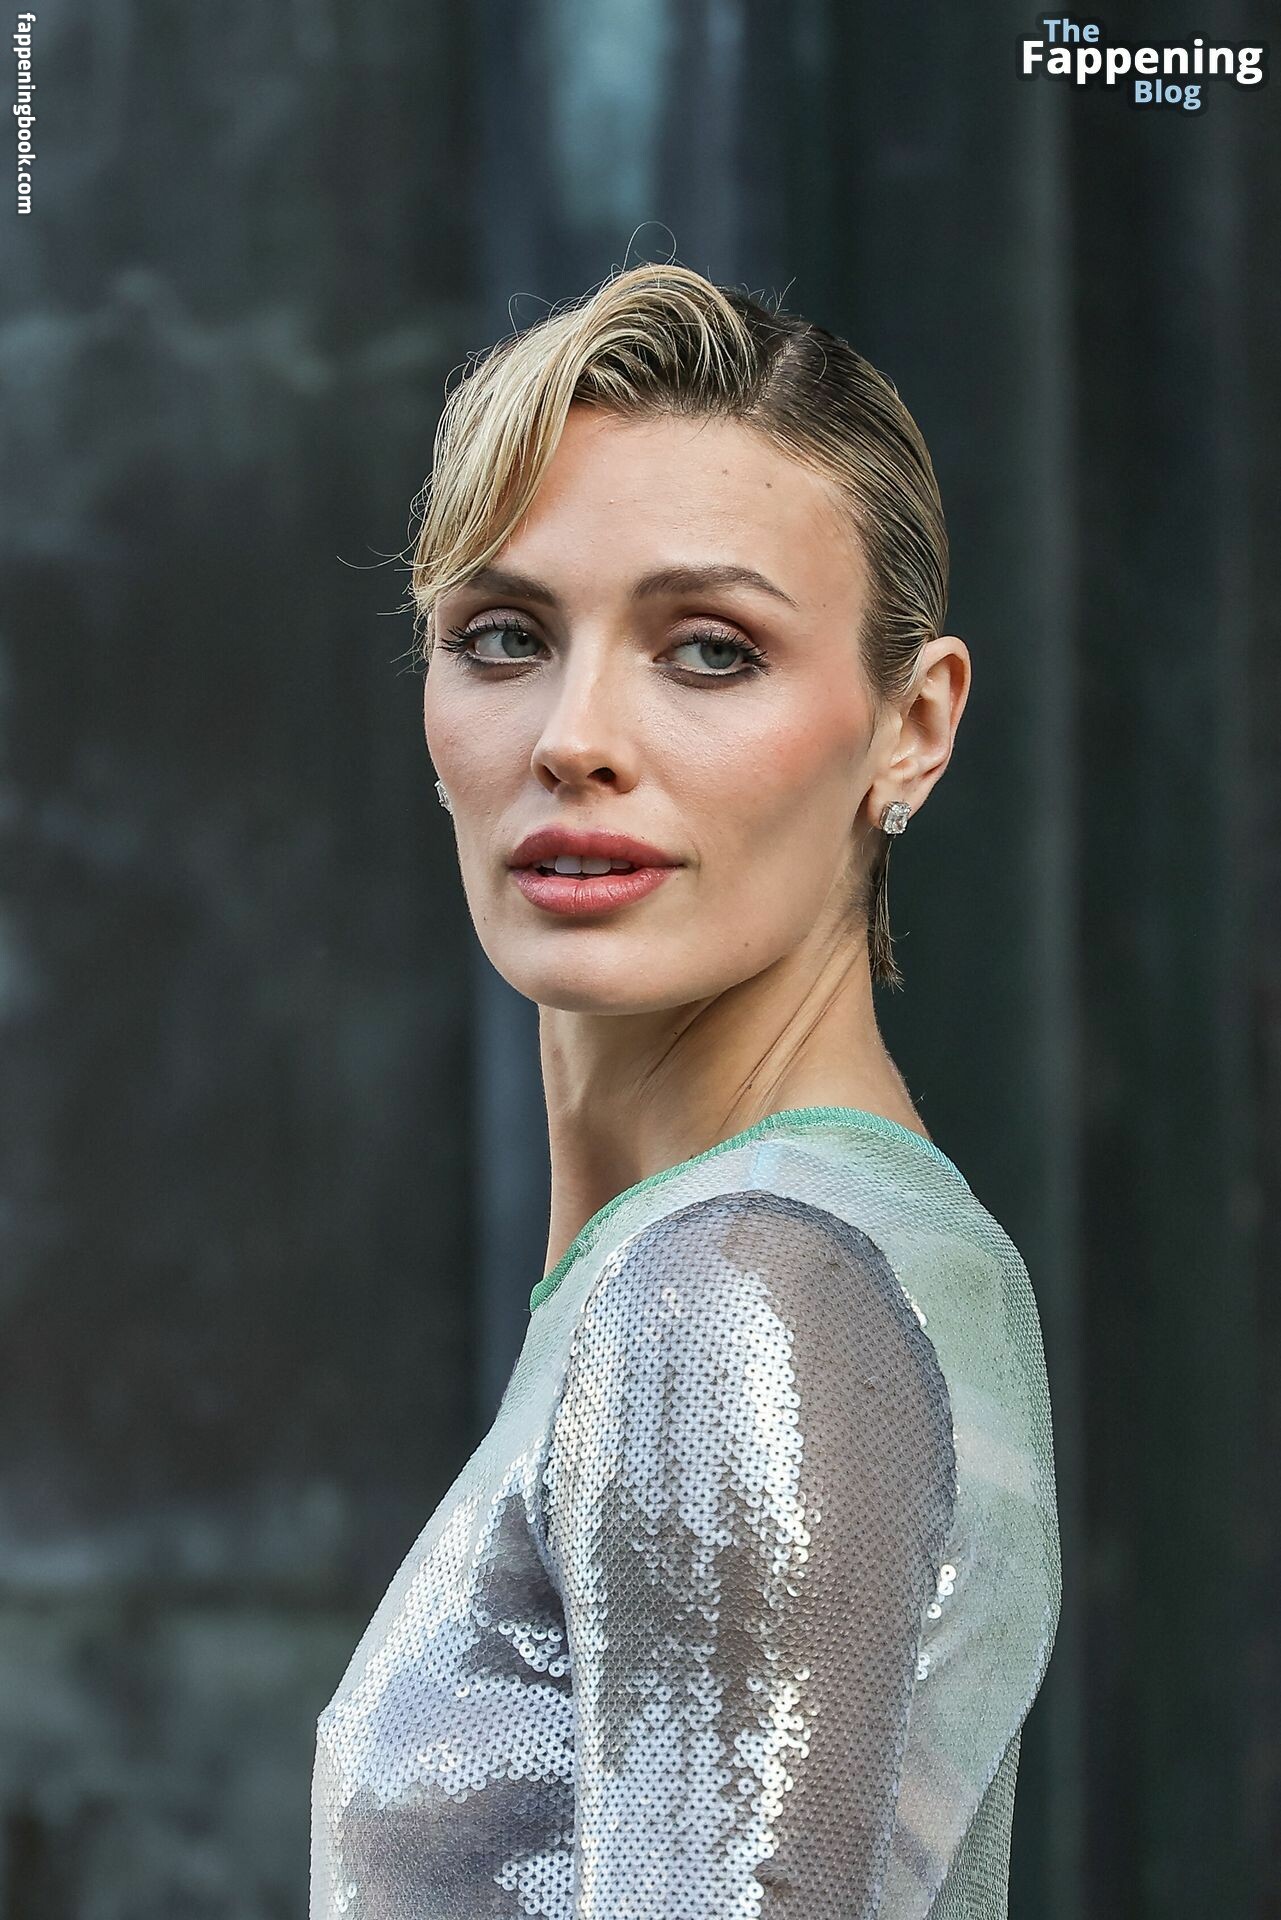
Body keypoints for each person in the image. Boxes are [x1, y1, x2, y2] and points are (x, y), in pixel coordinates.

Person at [309, 262, 1062, 1918]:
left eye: (710, 651)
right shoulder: (784, 1253)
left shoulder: (742, 1292)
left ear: (911, 727)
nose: (572, 735)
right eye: (502, 638)